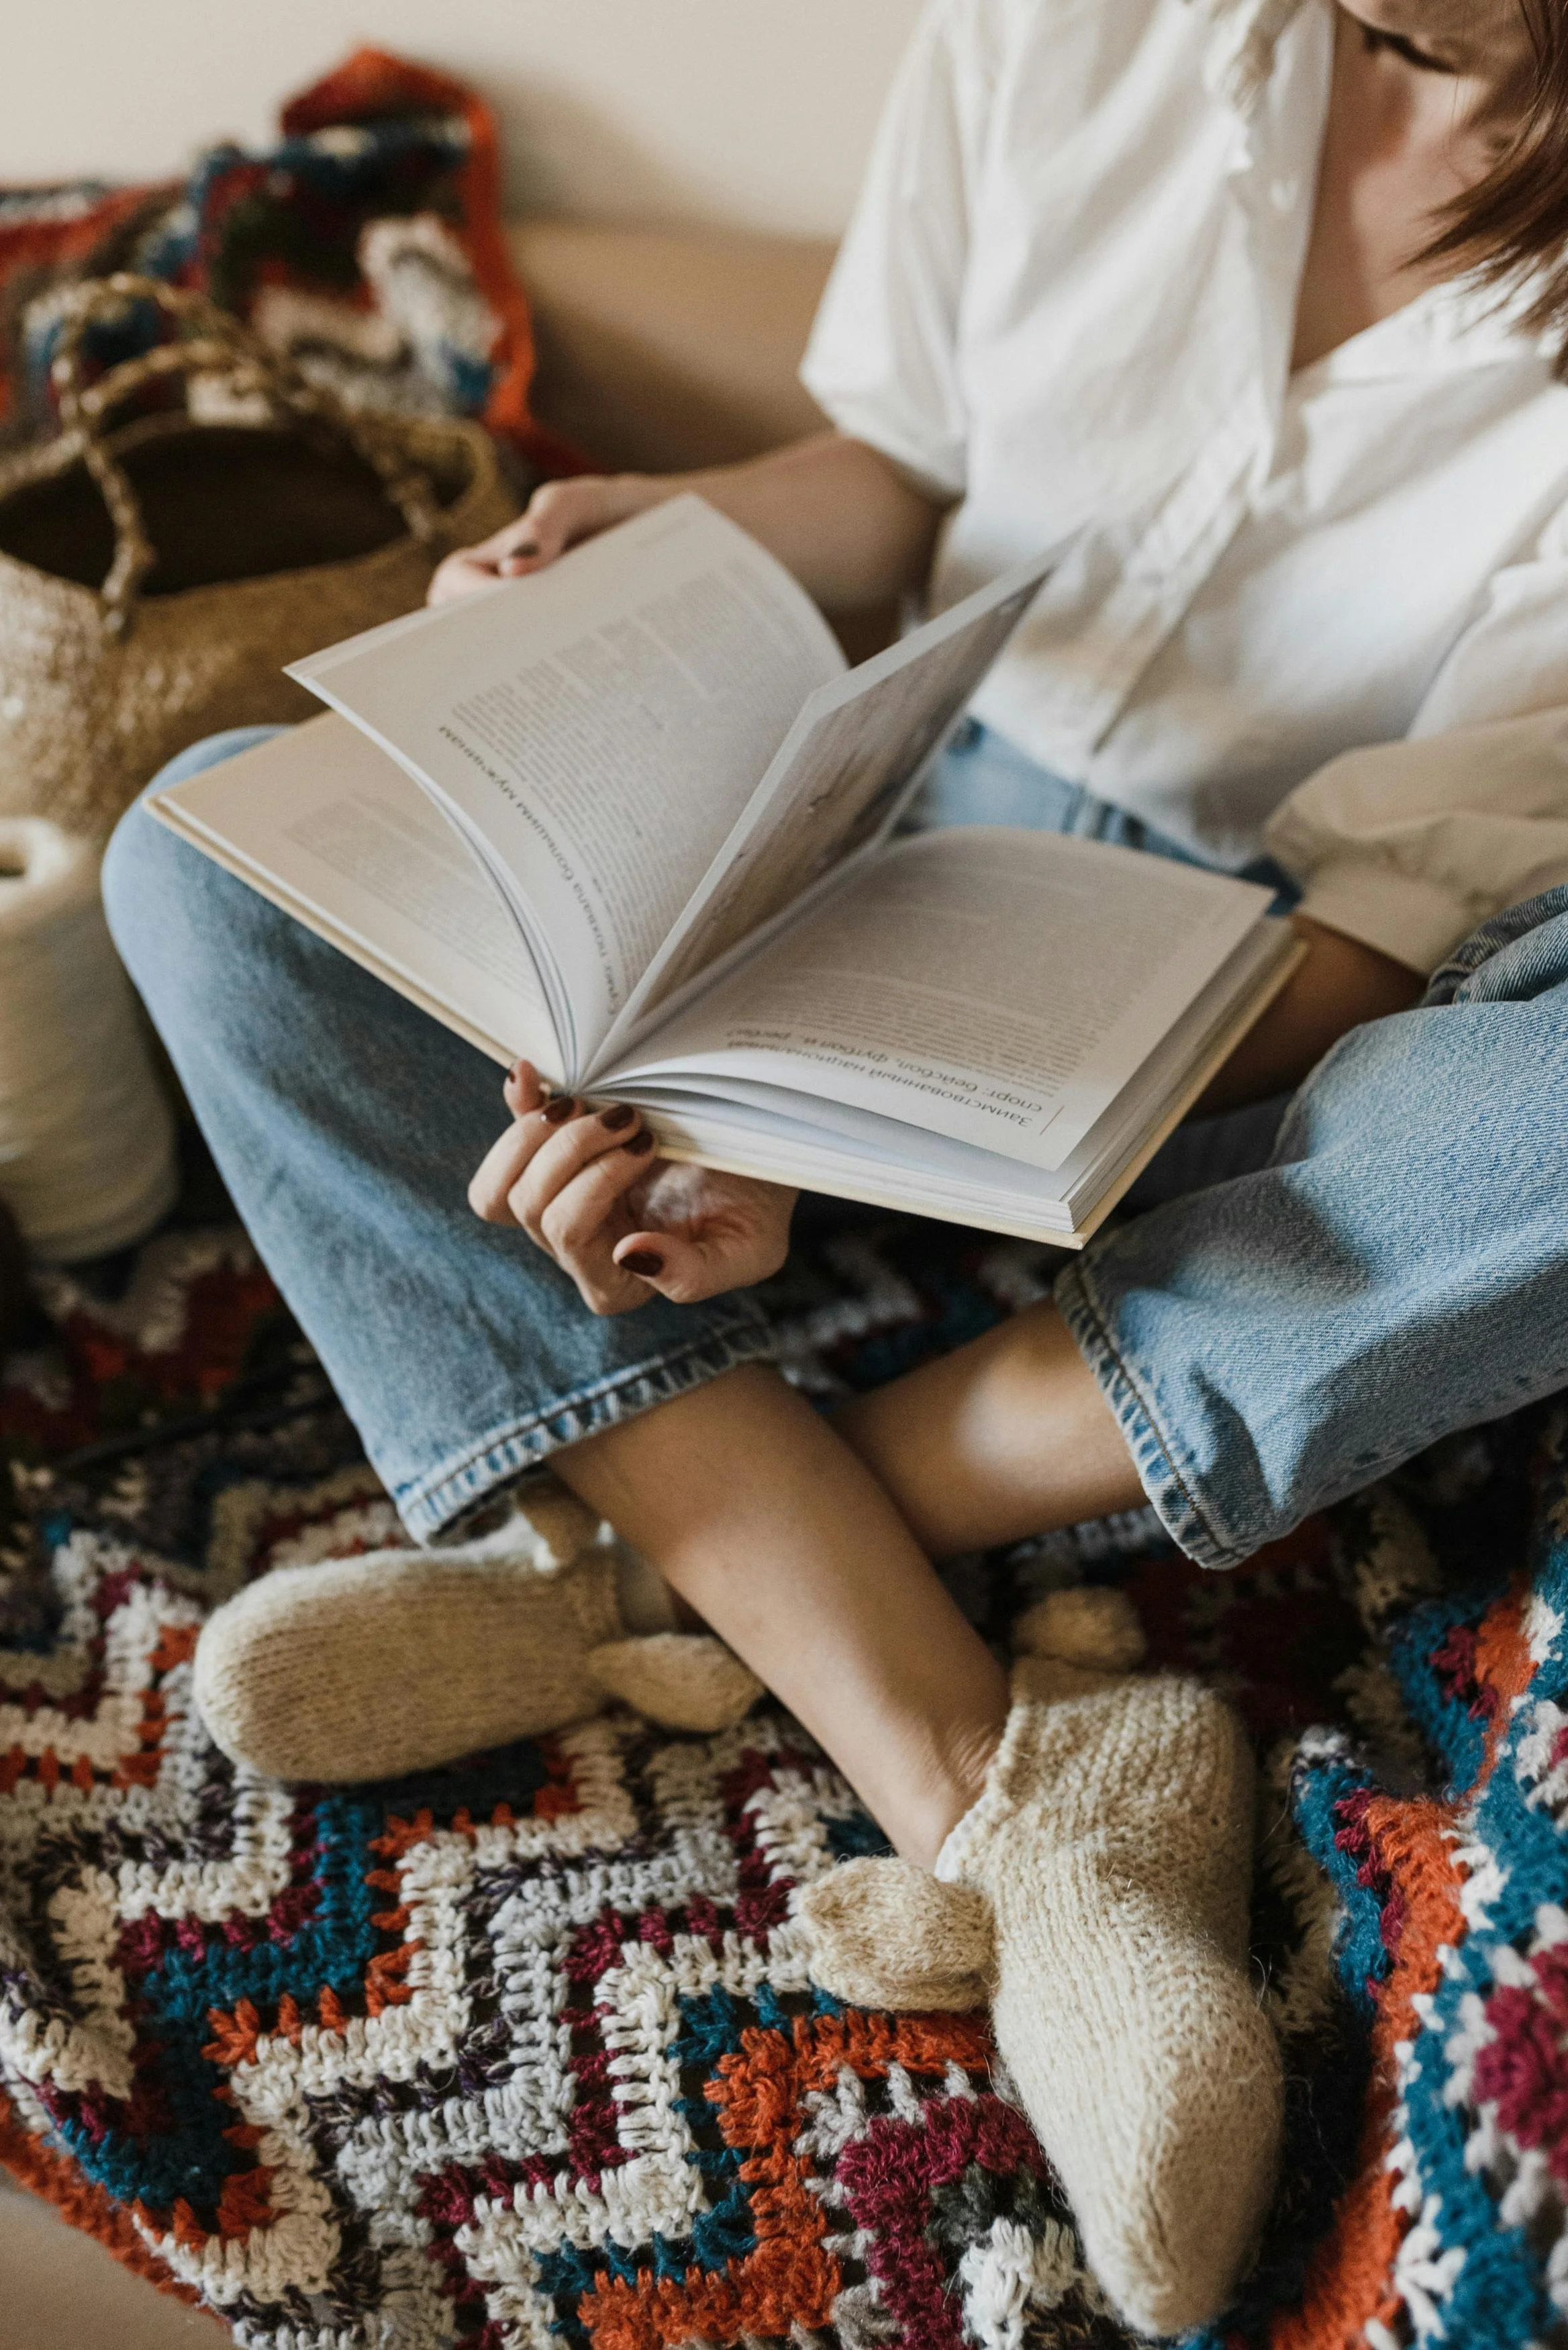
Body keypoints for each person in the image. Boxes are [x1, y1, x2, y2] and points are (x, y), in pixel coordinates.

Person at [103, 0, 1568, 2326]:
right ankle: (997, 1771)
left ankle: (662, 1554)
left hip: (1266, 1012)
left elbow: (1373, 955)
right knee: (205, 853)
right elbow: (893, 478)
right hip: (881, 803)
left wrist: (835, 1125)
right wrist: (643, 556)